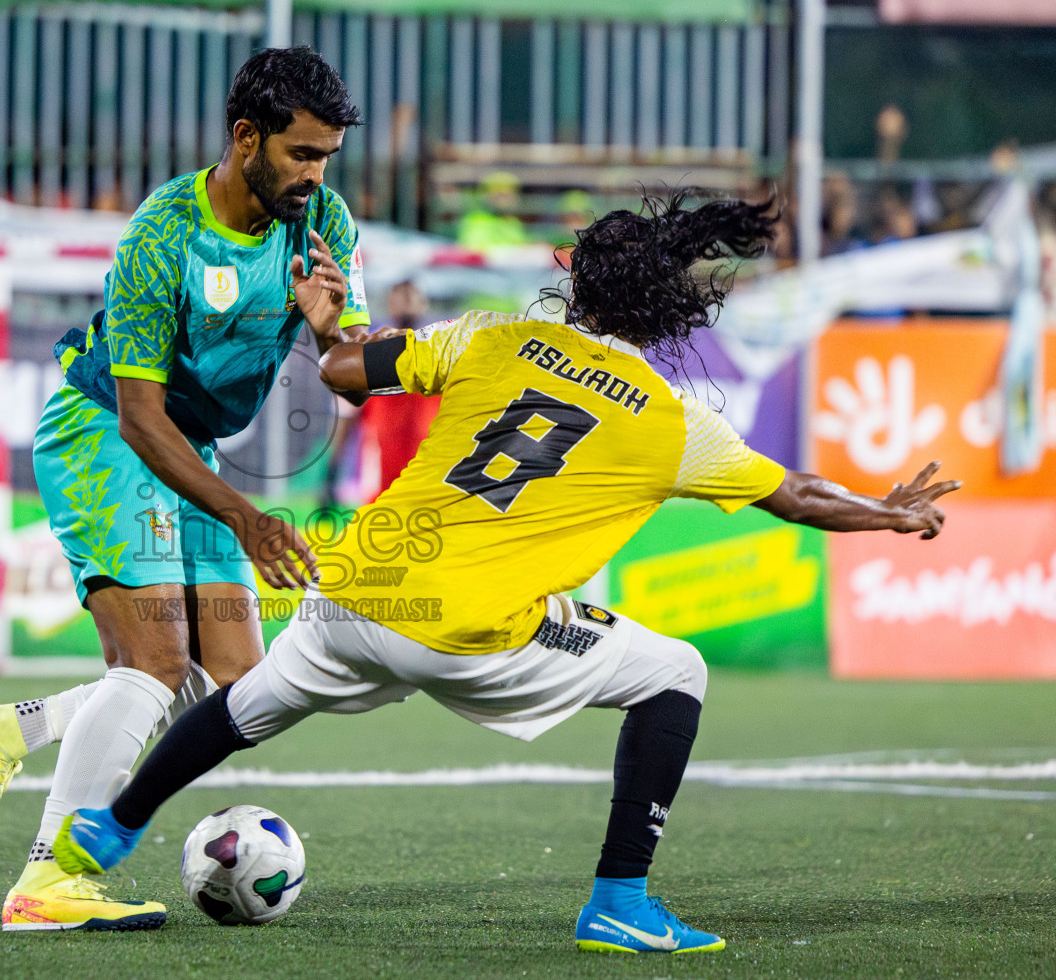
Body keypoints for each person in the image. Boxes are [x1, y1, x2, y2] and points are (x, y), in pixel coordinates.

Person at [50, 191, 962, 953]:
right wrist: (890, 512)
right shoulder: (676, 420)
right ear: (666, 312)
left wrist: (332, 322)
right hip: (467, 632)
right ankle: (620, 902)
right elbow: (798, 493)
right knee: (677, 672)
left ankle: (109, 824)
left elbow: (342, 370)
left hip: (358, 588)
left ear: (578, 280)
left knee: (247, 705)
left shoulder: (493, 336)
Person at [0, 46, 372, 932]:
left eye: (327, 155)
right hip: (106, 431)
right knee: (154, 663)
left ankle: (7, 731)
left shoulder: (324, 221)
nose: (315, 174)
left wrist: (330, 338)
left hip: (194, 446)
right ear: (246, 136)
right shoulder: (162, 234)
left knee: (241, 687)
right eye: (301, 153)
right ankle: (47, 880)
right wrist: (248, 518)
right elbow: (139, 416)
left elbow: (355, 374)